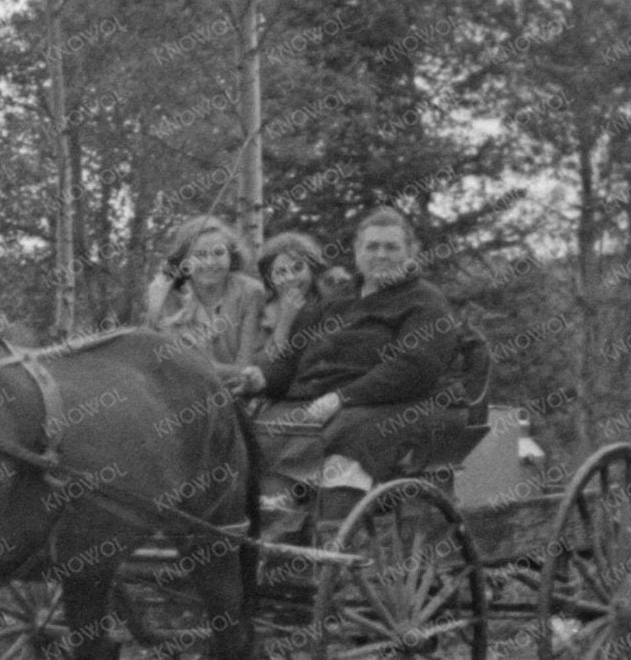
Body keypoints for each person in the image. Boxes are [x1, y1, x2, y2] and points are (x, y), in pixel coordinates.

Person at [252, 204, 454, 524]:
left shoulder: (425, 301)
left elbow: (414, 368)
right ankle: (275, 524)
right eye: (372, 247)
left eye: (391, 247)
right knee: (260, 430)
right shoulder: (338, 298)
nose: (381, 255)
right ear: (358, 251)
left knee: (348, 436)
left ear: (411, 251)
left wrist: (342, 397)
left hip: (393, 404)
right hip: (319, 401)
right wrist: (261, 379)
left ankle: (333, 538)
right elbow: (294, 357)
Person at [140, 214, 271, 374]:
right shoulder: (169, 297)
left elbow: (245, 370)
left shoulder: (250, 293)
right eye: (200, 255)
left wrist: (194, 367)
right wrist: (154, 310)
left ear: (231, 255)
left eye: (218, 252)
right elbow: (156, 364)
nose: (210, 262)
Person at [252, 230, 326, 376]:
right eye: (280, 272)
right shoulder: (261, 313)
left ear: (312, 270)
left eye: (298, 268)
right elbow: (263, 366)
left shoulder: (325, 306)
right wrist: (285, 321)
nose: (291, 277)